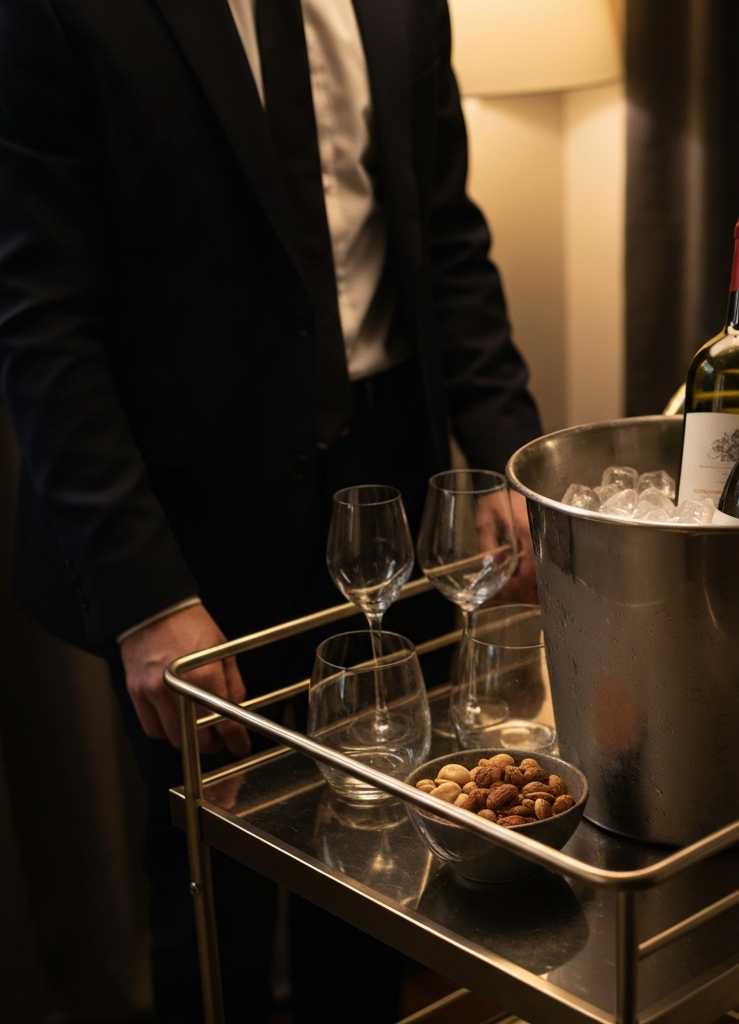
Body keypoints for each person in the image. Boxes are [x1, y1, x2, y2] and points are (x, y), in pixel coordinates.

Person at [0, 0, 541, 1020]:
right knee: (213, 905)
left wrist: (512, 460)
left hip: (388, 494)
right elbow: (41, 322)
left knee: (382, 866)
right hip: (189, 528)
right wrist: (147, 596)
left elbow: (446, 239)